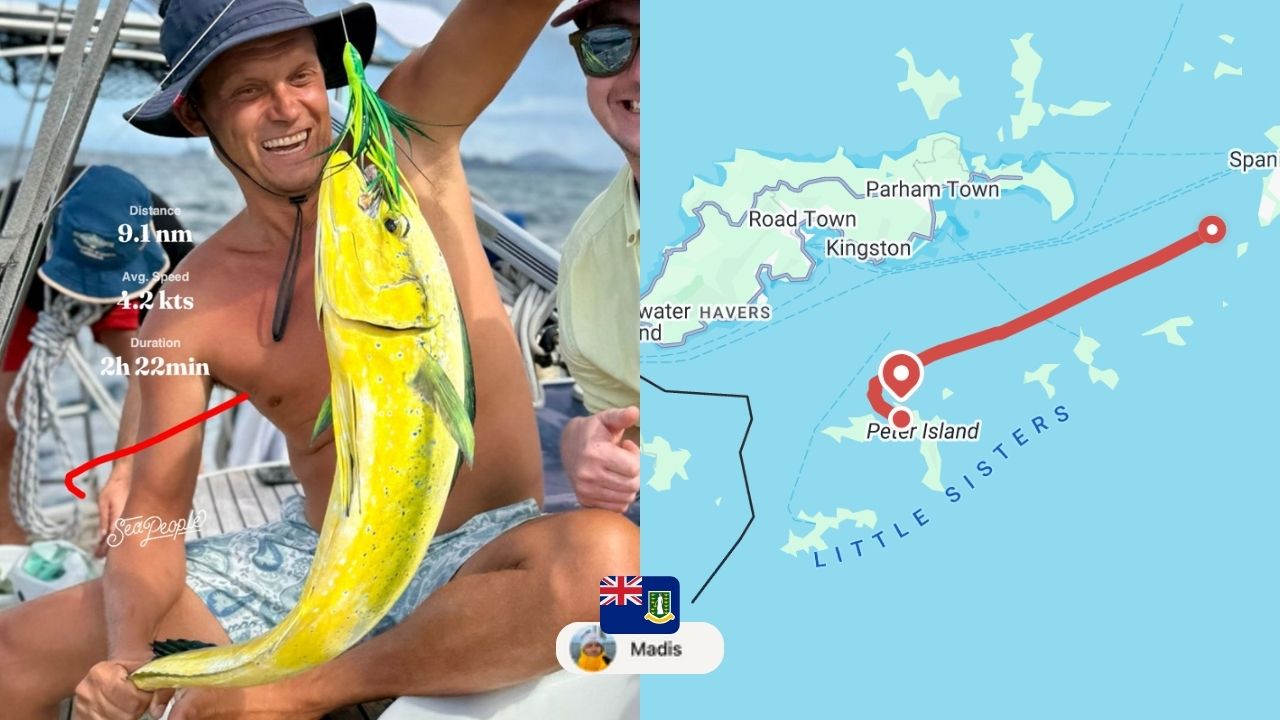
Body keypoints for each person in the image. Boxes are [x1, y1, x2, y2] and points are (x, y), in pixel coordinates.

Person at [0, 0, 638, 717]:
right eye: (246, 90)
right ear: (193, 116)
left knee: (608, 564)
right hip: (309, 564)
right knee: (11, 654)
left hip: (475, 551)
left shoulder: (405, 148)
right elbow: (153, 511)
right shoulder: (190, 303)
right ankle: (251, 684)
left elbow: (503, 14)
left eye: (301, 75)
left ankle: (300, 695)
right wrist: (127, 651)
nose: (286, 108)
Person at [0, 165, 191, 551]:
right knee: (3, 421)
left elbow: (154, 374)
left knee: (165, 392)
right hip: (26, 286)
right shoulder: (10, 224)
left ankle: (138, 526)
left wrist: (123, 472)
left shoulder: (170, 244)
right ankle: (8, 541)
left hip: (123, 278)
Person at [552, 0, 642, 515]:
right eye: (609, 45)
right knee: (600, 588)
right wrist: (582, 444)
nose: (642, 74)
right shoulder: (587, 255)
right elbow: (610, 422)